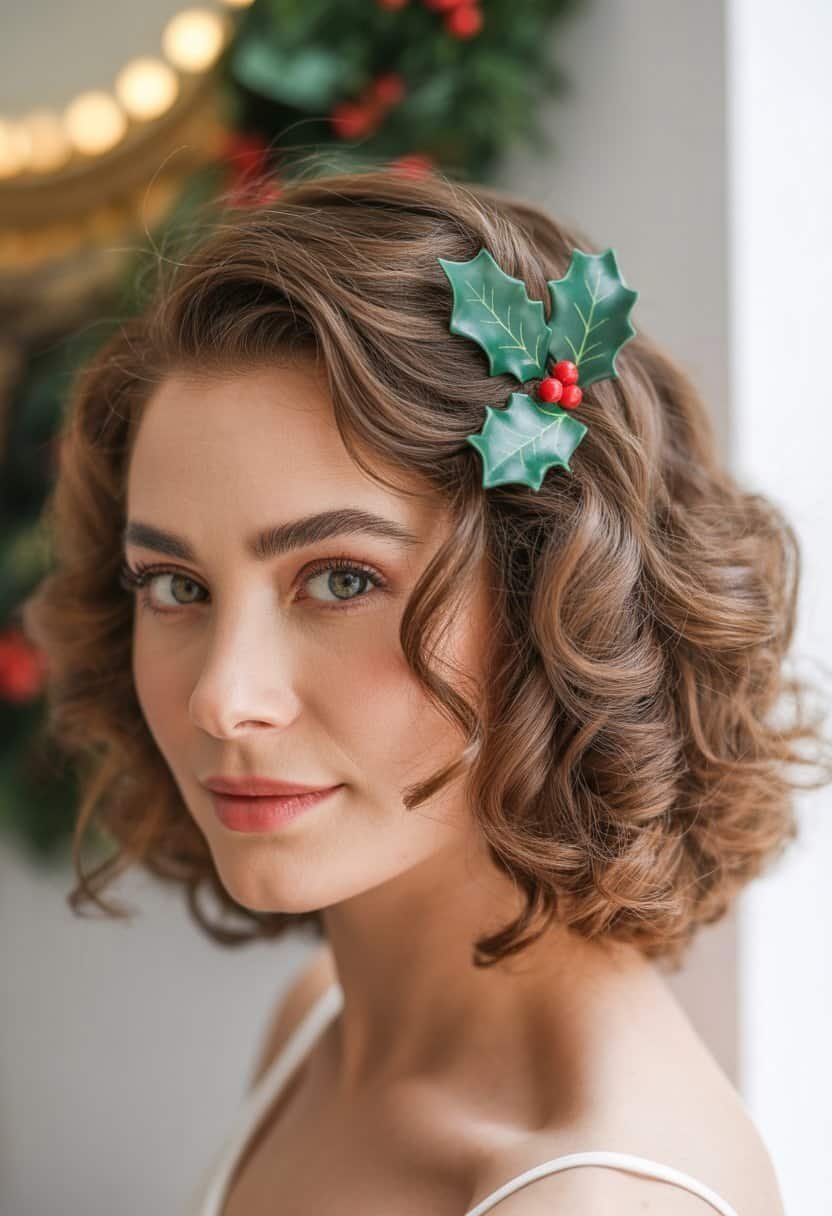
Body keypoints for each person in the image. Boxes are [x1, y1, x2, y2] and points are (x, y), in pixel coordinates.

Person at [22, 163, 830, 1215]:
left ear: (557, 600)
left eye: (342, 579)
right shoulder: (319, 1024)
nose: (225, 699)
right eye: (175, 585)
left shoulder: (589, 1195)